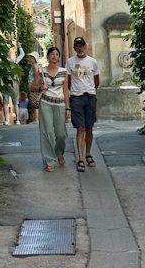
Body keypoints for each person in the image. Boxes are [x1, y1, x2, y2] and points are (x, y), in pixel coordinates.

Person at [66, 36, 100, 172]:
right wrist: (75, 92)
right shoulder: (70, 62)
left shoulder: (93, 62)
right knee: (80, 128)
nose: (80, 48)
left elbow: (97, 80)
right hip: (77, 98)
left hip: (90, 97)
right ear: (74, 48)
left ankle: (88, 154)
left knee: (89, 128)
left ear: (86, 46)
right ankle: (80, 158)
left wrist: (90, 90)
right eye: (77, 46)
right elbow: (68, 81)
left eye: (82, 45)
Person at [34, 46, 70, 171]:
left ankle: (59, 152)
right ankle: (50, 160)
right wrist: (40, 88)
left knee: (61, 134)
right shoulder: (42, 72)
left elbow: (65, 91)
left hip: (59, 104)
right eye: (52, 54)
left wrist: (67, 108)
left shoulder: (64, 71)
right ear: (48, 56)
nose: (54, 56)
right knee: (47, 132)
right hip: (46, 103)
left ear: (59, 57)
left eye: (56, 54)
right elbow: (33, 87)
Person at [25, 52, 41, 122]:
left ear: (34, 58)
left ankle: (36, 119)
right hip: (34, 85)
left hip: (33, 85)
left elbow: (36, 76)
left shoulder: (35, 65)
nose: (29, 59)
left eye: (31, 57)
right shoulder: (35, 65)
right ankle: (37, 118)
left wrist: (34, 85)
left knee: (35, 101)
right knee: (36, 101)